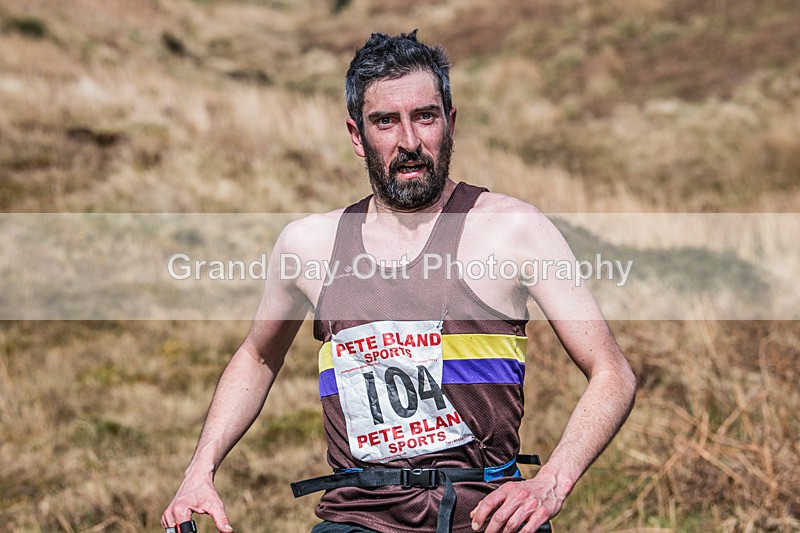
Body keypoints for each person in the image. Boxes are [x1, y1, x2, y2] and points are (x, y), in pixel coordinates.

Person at [162, 30, 636, 533]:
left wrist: (551, 483)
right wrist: (200, 470)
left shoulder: (513, 230)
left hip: (486, 515)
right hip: (358, 518)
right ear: (356, 135)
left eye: (424, 117)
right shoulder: (308, 245)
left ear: (450, 124)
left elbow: (612, 372)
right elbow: (257, 357)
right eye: (385, 121)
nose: (408, 142)